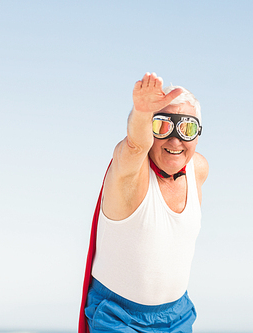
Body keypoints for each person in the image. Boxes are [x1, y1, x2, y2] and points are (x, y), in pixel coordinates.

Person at [78, 72, 209, 333]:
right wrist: (141, 113)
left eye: (187, 128)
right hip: (119, 317)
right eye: (161, 126)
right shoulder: (129, 174)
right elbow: (135, 146)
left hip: (178, 316)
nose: (175, 139)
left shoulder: (199, 170)